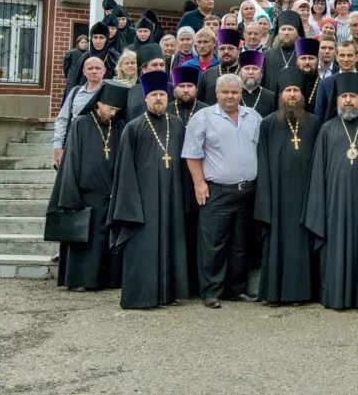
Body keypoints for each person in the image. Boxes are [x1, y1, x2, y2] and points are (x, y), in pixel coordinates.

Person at [303, 72, 358, 310]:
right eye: (344, 96)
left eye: (353, 96)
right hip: (334, 203)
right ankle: (334, 295)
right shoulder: (328, 129)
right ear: (337, 99)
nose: (348, 101)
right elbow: (318, 169)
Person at [108, 70, 190, 309]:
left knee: (171, 243)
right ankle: (142, 297)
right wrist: (131, 206)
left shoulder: (176, 124)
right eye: (154, 95)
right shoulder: (133, 128)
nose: (158, 99)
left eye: (162, 95)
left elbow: (184, 163)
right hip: (143, 200)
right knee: (144, 246)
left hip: (171, 196)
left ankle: (167, 294)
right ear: (145, 98)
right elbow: (124, 170)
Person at [182, 73, 261, 308]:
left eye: (234, 92)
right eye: (225, 92)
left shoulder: (253, 117)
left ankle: (236, 289)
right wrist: (199, 183)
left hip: (247, 191)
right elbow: (192, 153)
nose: (230, 96)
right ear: (217, 94)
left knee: (240, 243)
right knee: (213, 243)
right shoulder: (203, 117)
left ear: (240, 94)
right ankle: (211, 291)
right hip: (217, 191)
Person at [252, 68, 321, 305]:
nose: (292, 95)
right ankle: (276, 292)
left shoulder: (314, 123)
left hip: (306, 195)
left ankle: (302, 293)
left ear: (302, 95)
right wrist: (265, 201)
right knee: (278, 243)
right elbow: (261, 162)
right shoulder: (268, 124)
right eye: (287, 91)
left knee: (303, 243)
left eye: (296, 90)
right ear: (280, 95)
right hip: (277, 198)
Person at [54, 81, 131, 291]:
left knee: (107, 240)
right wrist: (71, 194)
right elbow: (71, 161)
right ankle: (80, 280)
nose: (113, 114)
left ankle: (108, 280)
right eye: (110, 108)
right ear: (98, 104)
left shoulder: (120, 127)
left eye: (117, 109)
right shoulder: (80, 123)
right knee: (86, 241)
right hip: (86, 193)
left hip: (111, 193)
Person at [53, 56, 106, 168]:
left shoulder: (110, 93)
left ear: (104, 70)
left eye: (98, 68)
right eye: (90, 68)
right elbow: (62, 120)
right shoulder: (75, 92)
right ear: (84, 72)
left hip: (102, 148)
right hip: (75, 144)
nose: (94, 71)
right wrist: (58, 147)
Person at [314, 40, 358, 122]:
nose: (346, 59)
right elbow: (320, 114)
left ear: (357, 57)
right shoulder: (325, 84)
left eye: (350, 55)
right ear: (336, 57)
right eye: (342, 55)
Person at [64, 22, 117, 97]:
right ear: (91, 39)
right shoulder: (84, 58)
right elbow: (75, 82)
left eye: (101, 37)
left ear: (107, 39)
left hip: (108, 99)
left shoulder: (114, 57)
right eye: (95, 37)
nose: (98, 41)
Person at [124, 44, 173, 122]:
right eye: (154, 65)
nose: (159, 68)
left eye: (162, 65)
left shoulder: (172, 89)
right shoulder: (133, 91)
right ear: (144, 69)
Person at [195, 29, 241, 105]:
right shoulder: (207, 74)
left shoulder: (245, 74)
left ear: (238, 51)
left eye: (230, 48)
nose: (226, 51)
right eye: (222, 49)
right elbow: (200, 102)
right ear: (218, 50)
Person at [263, 10, 304, 93]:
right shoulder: (267, 55)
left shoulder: (303, 55)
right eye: (283, 29)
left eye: (290, 29)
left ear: (297, 32)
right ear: (278, 32)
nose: (286, 32)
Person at [238, 49, 277, 117]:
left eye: (255, 69)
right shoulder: (233, 95)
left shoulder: (272, 97)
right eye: (247, 68)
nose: (251, 72)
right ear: (239, 73)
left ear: (261, 74)